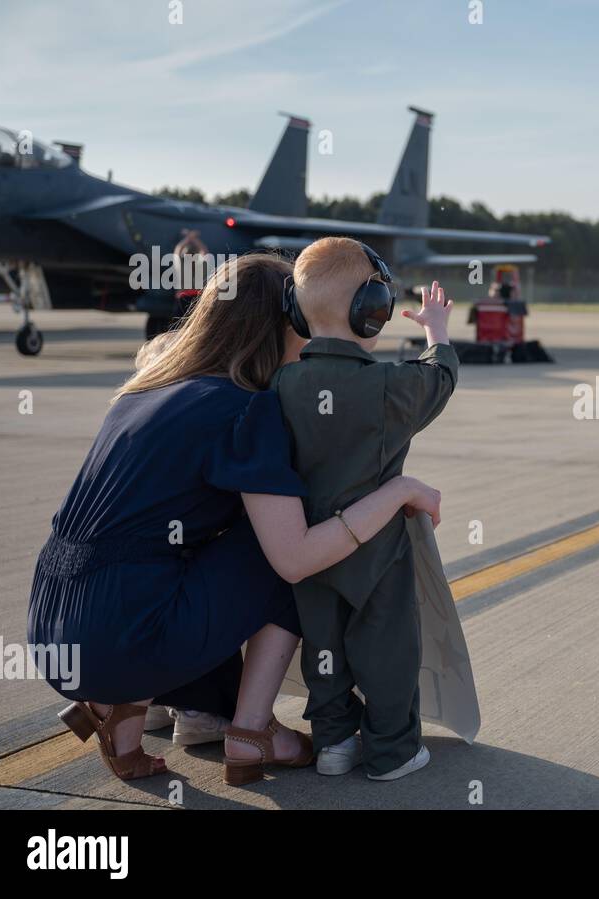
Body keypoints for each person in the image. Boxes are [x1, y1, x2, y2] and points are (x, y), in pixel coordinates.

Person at [28, 253, 443, 785]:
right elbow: (294, 559)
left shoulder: (144, 389)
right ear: (287, 323)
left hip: (52, 629)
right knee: (288, 545)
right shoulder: (248, 408)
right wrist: (398, 491)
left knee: (181, 544)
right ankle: (251, 732)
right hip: (120, 638)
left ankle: (124, 714)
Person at [273, 238, 458, 782]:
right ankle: (391, 751)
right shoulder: (390, 385)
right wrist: (436, 329)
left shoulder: (281, 384)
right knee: (388, 654)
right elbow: (441, 377)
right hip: (376, 554)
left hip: (309, 552)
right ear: (371, 309)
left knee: (323, 652)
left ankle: (332, 743)